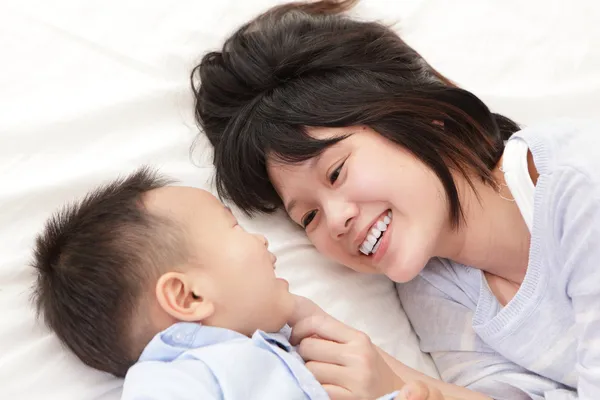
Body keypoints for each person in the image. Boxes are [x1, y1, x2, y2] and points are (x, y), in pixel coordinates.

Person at [191, 0, 600, 399]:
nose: (334, 222)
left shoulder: (578, 181)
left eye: (336, 172)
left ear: (425, 115)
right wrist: (383, 377)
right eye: (309, 217)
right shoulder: (435, 291)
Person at [30, 167, 453, 400]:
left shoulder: (283, 355)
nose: (262, 238)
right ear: (188, 296)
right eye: (234, 227)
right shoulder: (174, 379)